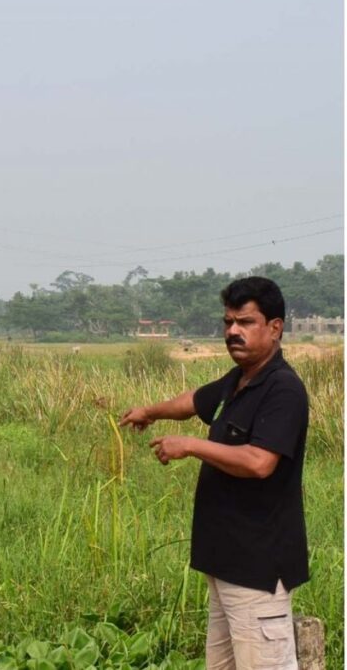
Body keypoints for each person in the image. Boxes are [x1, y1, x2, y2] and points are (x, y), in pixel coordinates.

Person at [120, 277, 308, 670]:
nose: (233, 332)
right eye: (228, 323)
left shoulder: (283, 389)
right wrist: (149, 412)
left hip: (258, 569)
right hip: (225, 564)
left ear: (275, 328)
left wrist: (190, 445)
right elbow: (193, 401)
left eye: (245, 322)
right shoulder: (239, 381)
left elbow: (260, 462)